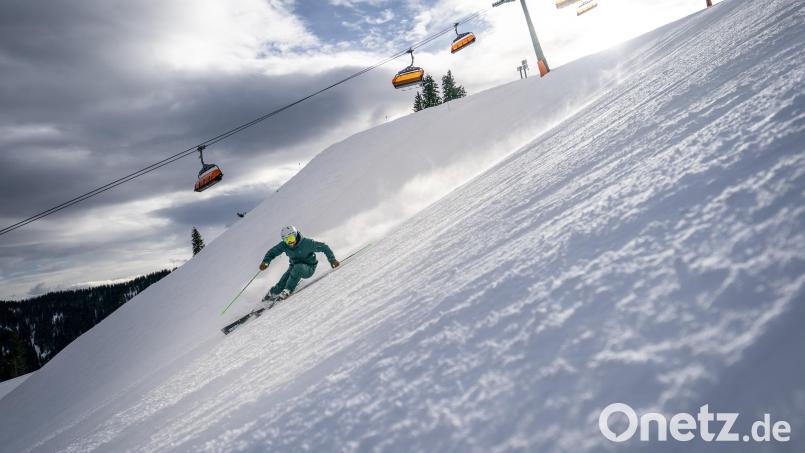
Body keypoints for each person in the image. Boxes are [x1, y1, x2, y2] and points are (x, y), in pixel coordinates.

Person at [259, 225, 339, 301]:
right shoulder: (284, 245)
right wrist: (265, 262)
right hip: (293, 267)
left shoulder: (307, 243)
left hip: (309, 268)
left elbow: (324, 247)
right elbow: (272, 252)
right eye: (287, 240)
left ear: (296, 235)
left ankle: (288, 290)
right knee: (282, 282)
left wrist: (332, 260)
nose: (290, 242)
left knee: (298, 268)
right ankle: (271, 294)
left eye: (291, 238)